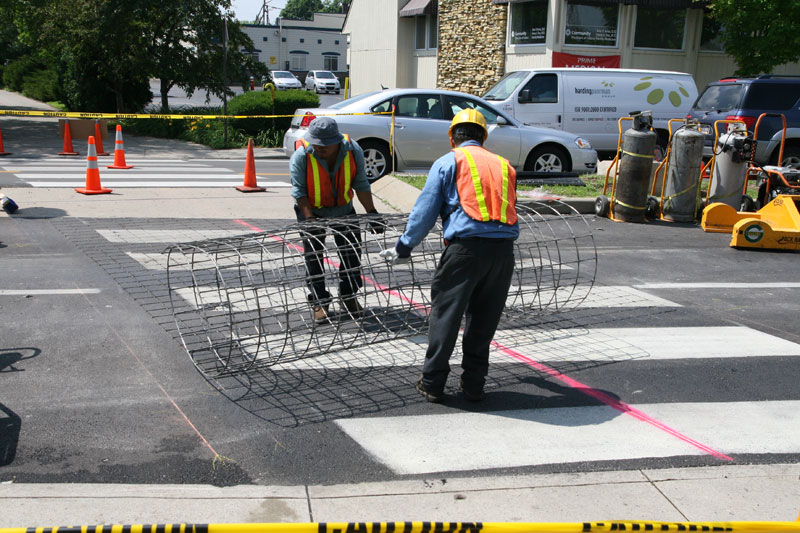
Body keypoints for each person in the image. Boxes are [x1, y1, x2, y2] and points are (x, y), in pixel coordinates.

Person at [379, 108, 519, 403]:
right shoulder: (505, 165)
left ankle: (432, 383)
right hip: (503, 254)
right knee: (483, 322)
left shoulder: (449, 162)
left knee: (446, 317)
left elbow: (425, 212)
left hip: (465, 252)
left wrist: (404, 247)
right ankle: (473, 385)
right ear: (483, 137)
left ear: (452, 138)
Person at [290, 116, 380, 323]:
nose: (319, 149)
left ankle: (348, 296)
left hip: (343, 208)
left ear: (336, 142)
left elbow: (361, 183)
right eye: (316, 144)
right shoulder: (301, 155)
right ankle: (319, 300)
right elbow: (299, 191)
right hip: (310, 210)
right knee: (314, 256)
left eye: (324, 146)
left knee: (351, 253)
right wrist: (310, 218)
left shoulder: (353, 150)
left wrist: (372, 212)